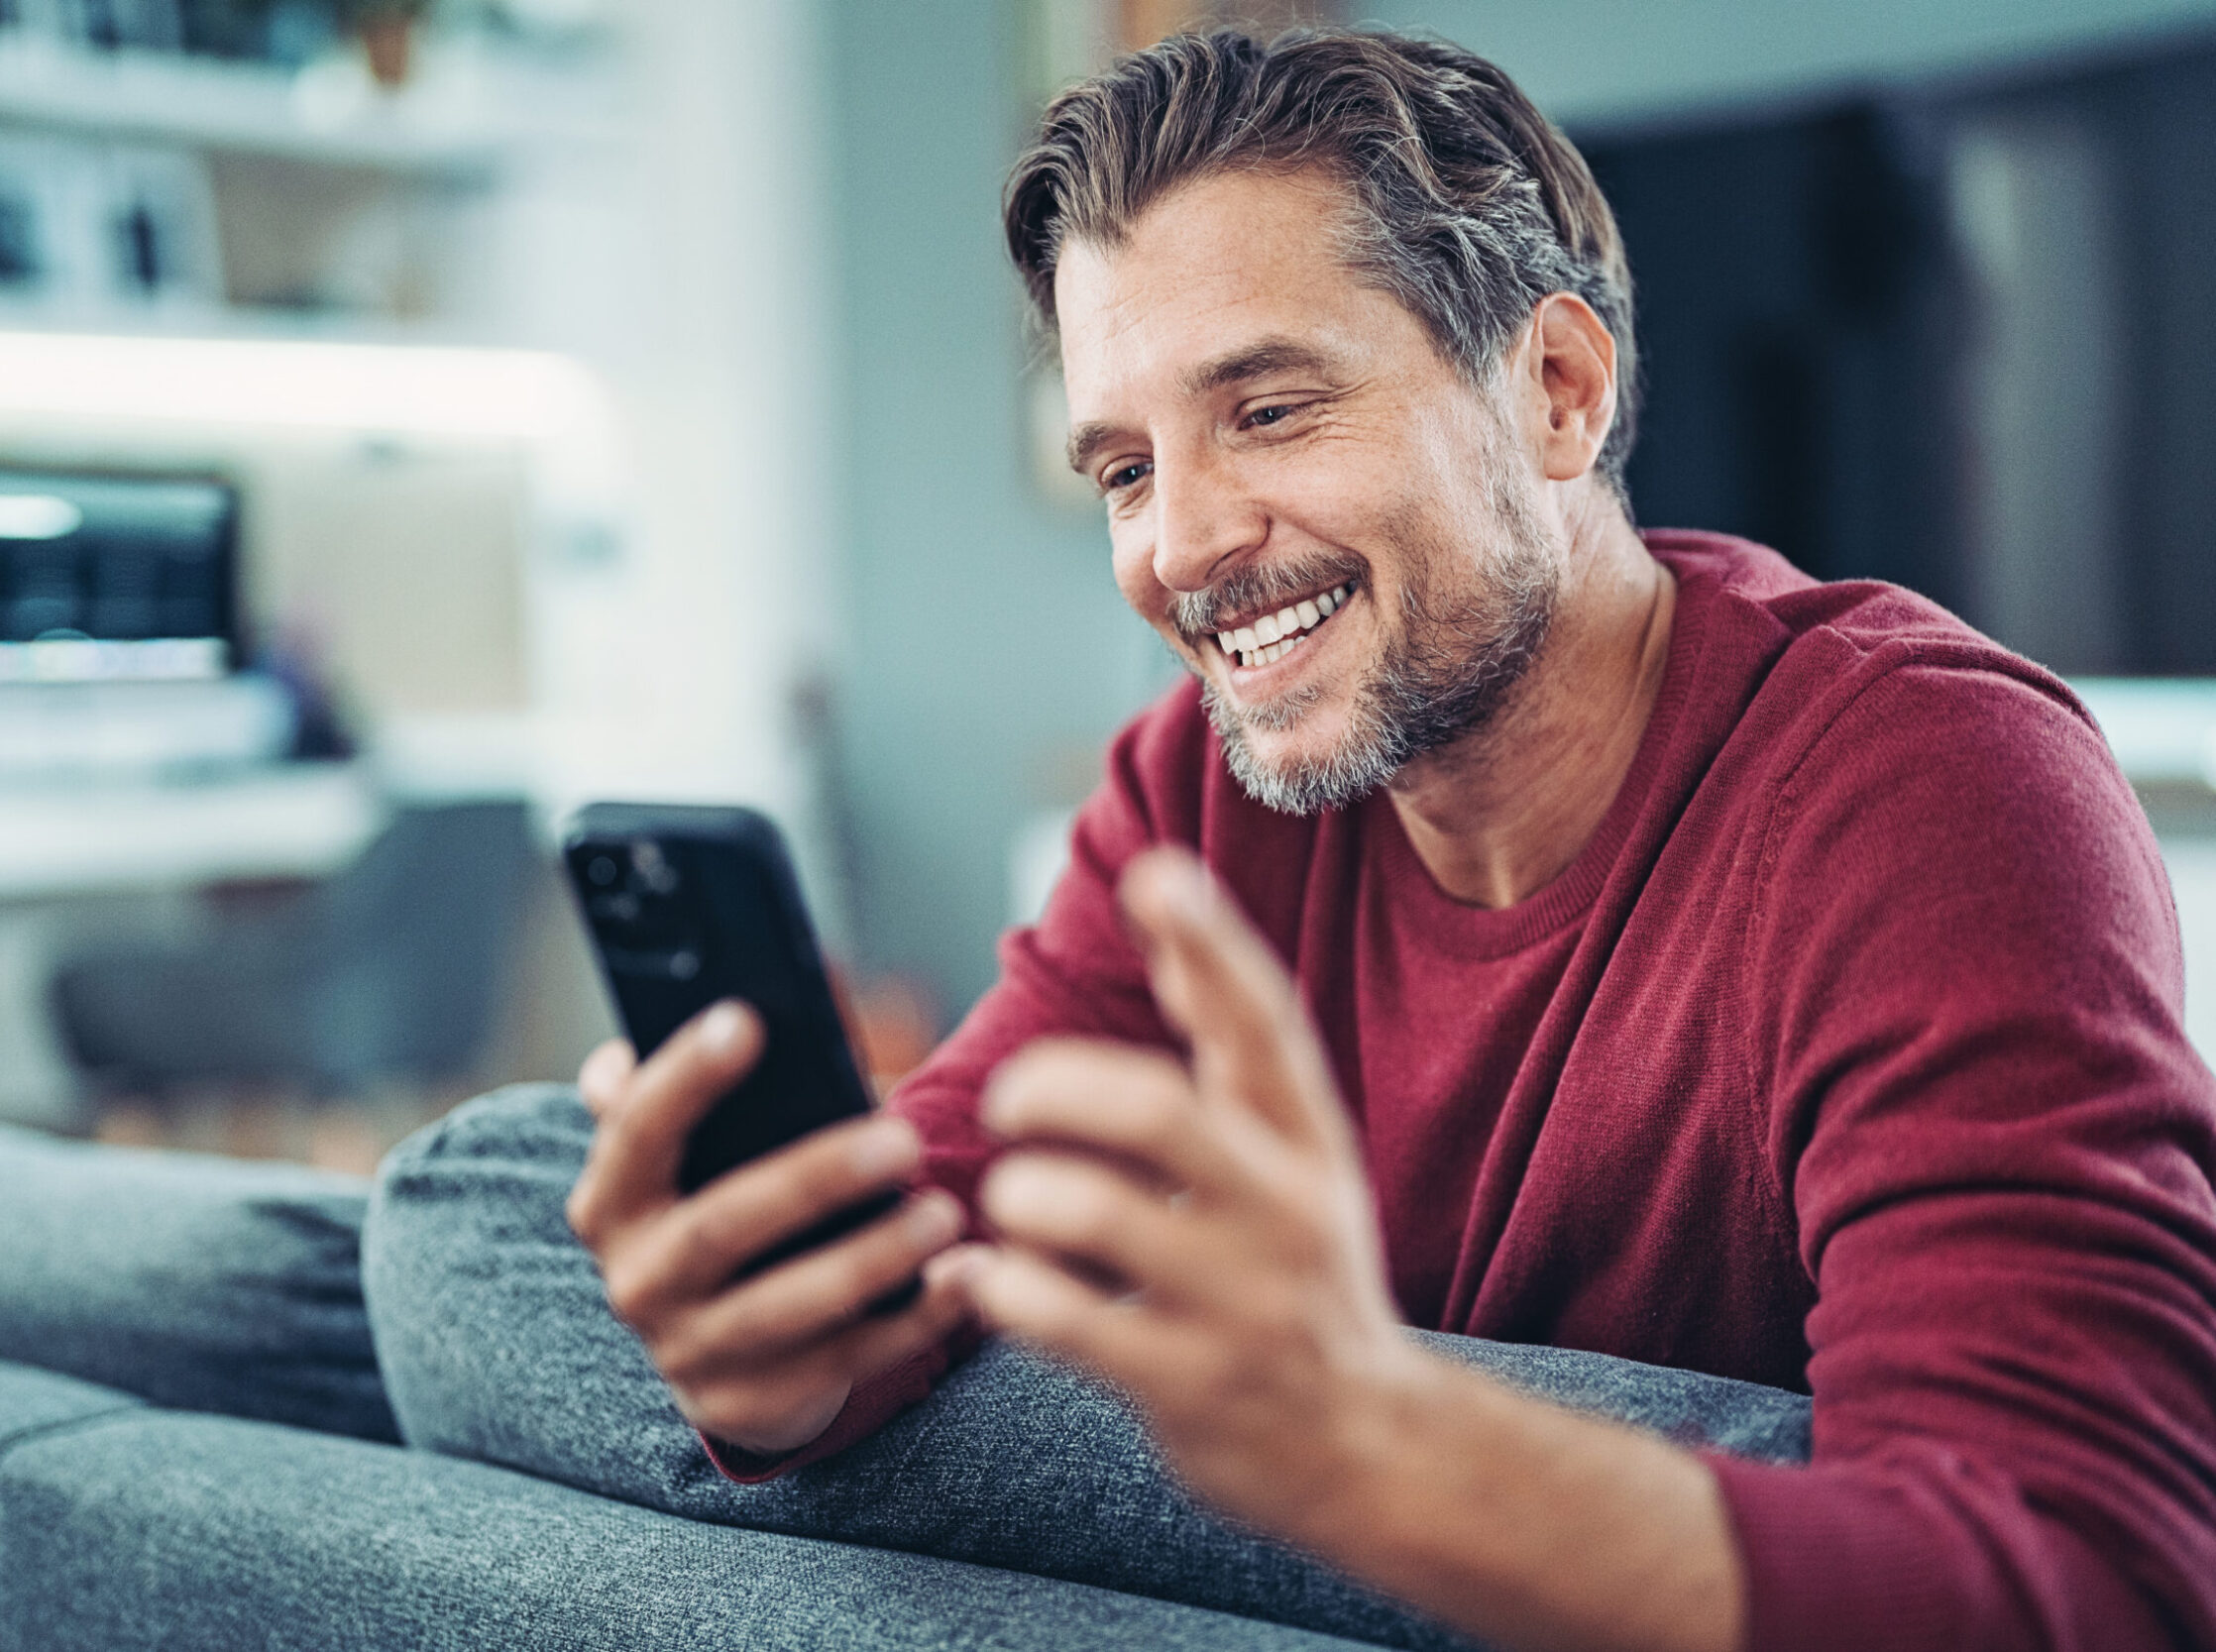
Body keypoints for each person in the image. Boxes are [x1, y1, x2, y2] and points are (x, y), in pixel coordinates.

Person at [528, 25, 2216, 1652]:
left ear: (1556, 389)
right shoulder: (1198, 792)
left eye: (1268, 411)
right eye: (1124, 469)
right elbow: (939, 1219)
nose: (1181, 548)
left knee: (461, 1249)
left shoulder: (1933, 787)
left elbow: (2087, 1587)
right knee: (477, 1218)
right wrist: (786, 1348)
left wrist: (1376, 1449)